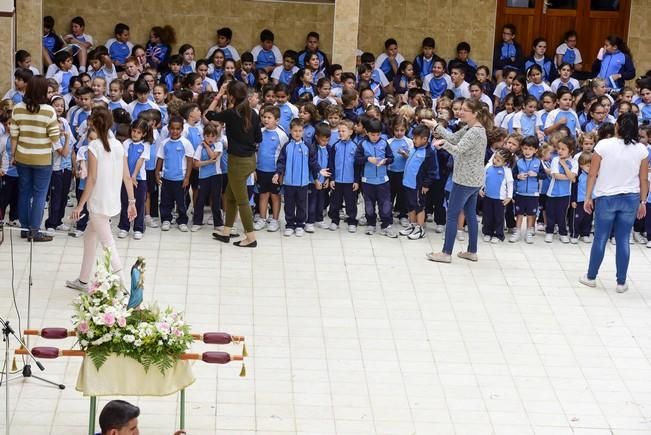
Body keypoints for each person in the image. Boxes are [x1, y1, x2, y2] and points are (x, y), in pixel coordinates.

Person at [66, 107, 136, 291]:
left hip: (98, 203)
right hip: (113, 202)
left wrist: (80, 205)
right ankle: (82, 280)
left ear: (93, 123)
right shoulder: (119, 145)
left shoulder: (94, 147)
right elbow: (127, 176)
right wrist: (131, 201)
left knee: (108, 245)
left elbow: (92, 178)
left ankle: (125, 287)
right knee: (89, 237)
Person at [580, 113, 648, 293]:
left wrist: (588, 197)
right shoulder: (641, 149)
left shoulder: (603, 145)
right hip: (631, 198)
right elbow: (643, 179)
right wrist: (643, 201)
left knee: (601, 237)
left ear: (617, 125)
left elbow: (592, 174)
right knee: (623, 239)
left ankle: (591, 277)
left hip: (606, 197)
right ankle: (621, 282)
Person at [424, 99, 492, 263]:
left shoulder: (474, 132)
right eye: (460, 109)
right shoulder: (471, 128)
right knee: (470, 214)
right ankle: (472, 251)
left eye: (464, 110)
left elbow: (457, 149)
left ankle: (446, 253)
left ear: (475, 114)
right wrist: (435, 126)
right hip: (474, 180)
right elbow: (454, 138)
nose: (460, 112)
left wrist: (442, 143)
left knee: (452, 214)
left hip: (465, 180)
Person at [206, 81, 262, 247]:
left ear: (230, 96)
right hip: (250, 159)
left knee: (242, 201)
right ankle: (226, 231)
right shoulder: (254, 113)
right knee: (230, 196)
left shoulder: (231, 113)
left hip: (237, 162)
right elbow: (259, 138)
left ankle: (251, 238)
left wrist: (218, 95)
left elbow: (209, 115)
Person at [10, 76, 60, 242]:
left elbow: (14, 135)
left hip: (22, 157)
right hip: (42, 159)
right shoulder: (48, 110)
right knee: (40, 195)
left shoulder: (17, 108)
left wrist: (13, 155)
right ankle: (34, 231)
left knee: (24, 192)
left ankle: (24, 229)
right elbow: (54, 137)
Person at [480, 149, 514, 243]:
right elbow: (483, 178)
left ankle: (498, 235)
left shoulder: (506, 170)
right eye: (495, 158)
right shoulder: (488, 166)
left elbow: (510, 183)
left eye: (498, 160)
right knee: (487, 216)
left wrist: (509, 197)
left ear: (505, 163)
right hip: (487, 196)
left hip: (500, 199)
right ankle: (487, 232)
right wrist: (480, 189)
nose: (495, 161)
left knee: (498, 217)